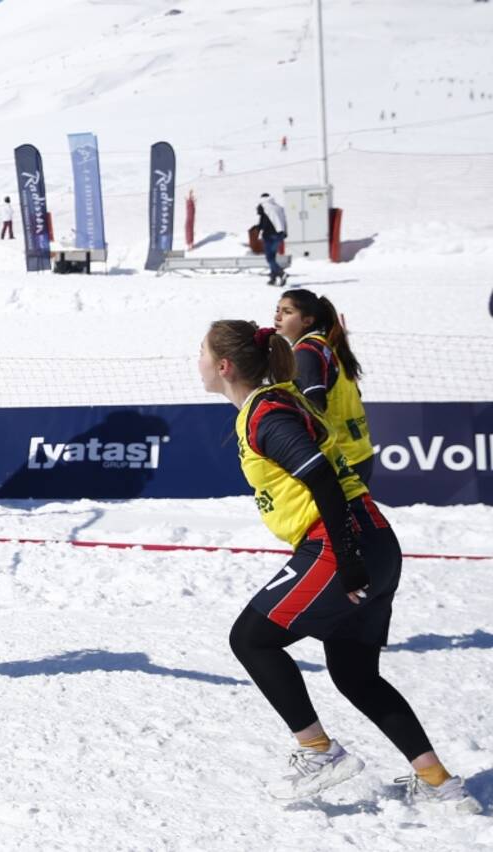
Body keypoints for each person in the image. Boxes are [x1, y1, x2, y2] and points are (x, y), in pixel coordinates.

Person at [198, 319, 481, 811]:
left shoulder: (267, 414)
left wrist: (347, 560)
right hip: (372, 542)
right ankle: (439, 783)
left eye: (199, 353)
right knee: (355, 674)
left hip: (340, 544)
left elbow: (323, 480)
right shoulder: (271, 404)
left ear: (223, 366)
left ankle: (318, 751)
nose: (196, 362)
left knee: (251, 639)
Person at [273, 289, 374, 483]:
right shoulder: (328, 345)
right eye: (277, 310)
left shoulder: (306, 353)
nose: (277, 316)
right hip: (359, 453)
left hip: (339, 460)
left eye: (287, 312)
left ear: (307, 321)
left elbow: (315, 409)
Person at [256, 193, 288, 286]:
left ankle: (281, 273)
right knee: (272, 257)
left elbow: (263, 221)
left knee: (269, 258)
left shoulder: (263, 206)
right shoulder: (278, 207)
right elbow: (284, 220)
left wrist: (258, 229)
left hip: (269, 235)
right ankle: (273, 278)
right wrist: (285, 233)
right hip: (279, 235)